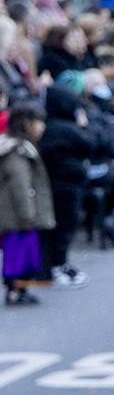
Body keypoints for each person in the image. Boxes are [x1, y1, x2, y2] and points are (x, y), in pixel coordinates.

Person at [37, 75, 94, 288]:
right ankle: (57, 265)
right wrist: (84, 125)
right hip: (67, 184)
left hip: (56, 183)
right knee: (63, 227)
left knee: (57, 227)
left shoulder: (48, 126)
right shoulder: (67, 128)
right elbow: (92, 144)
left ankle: (55, 265)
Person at [0, 101, 54, 305]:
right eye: (38, 122)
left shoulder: (19, 148)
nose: (42, 127)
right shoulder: (18, 153)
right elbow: (20, 186)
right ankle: (15, 291)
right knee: (19, 256)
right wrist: (27, 215)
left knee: (19, 254)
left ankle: (18, 290)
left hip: (16, 215)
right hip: (17, 216)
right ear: (25, 124)